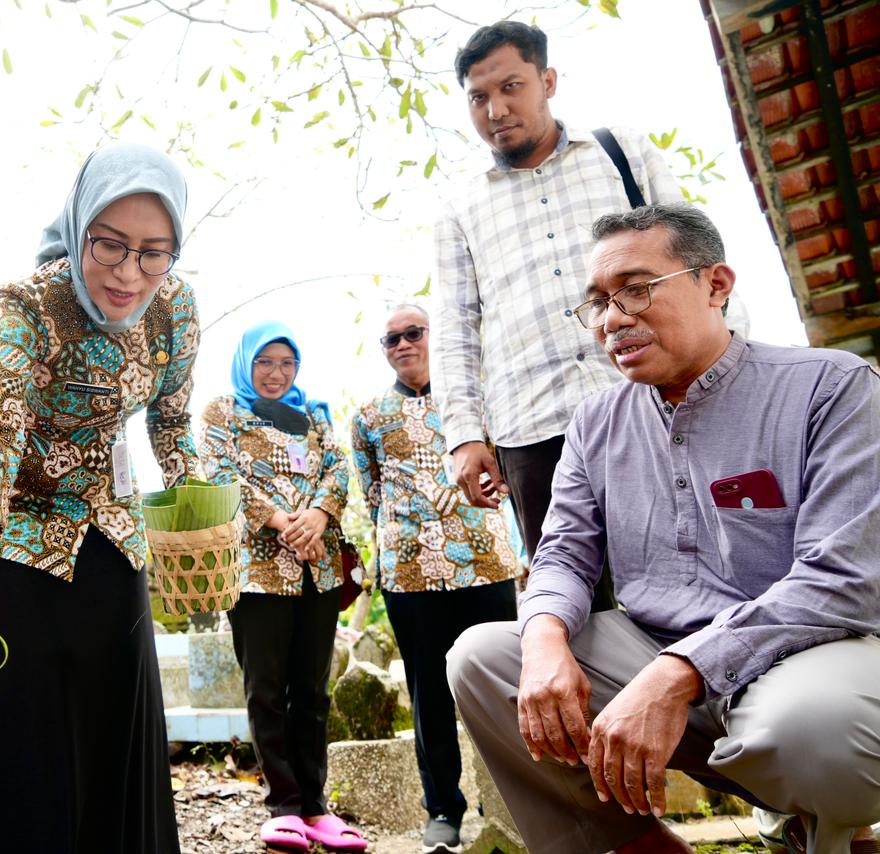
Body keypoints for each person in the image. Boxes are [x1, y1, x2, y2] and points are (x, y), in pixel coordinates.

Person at [447, 204, 880, 854]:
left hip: (803, 656)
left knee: (819, 730)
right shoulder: (597, 422)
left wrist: (676, 673)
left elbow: (839, 580)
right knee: (485, 659)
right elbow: (563, 554)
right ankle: (634, 846)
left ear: (716, 284)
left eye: (636, 289)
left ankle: (832, 831)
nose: (611, 319)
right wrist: (543, 642)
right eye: (596, 302)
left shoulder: (830, 387)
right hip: (650, 646)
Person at [0, 143, 200, 854]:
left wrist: (197, 509)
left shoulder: (174, 307)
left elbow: (173, 420)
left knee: (118, 764)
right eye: (111, 245)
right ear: (79, 222)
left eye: (154, 252)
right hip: (18, 554)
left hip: (115, 555)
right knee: (31, 770)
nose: (130, 274)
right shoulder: (30, 306)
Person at [431, 20, 686, 610]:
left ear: (547, 81)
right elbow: (454, 330)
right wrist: (465, 436)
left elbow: (695, 256)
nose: (496, 108)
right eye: (478, 96)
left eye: (512, 86)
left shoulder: (620, 152)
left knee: (687, 580)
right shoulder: (460, 206)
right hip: (532, 433)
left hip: (648, 401)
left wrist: (731, 361)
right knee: (575, 608)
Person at [349, 303, 521, 853]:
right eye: (390, 338)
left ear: (433, 336)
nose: (402, 344)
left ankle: (521, 801)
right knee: (429, 694)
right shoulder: (368, 417)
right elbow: (373, 493)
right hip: (411, 575)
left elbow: (509, 473)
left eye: (413, 333)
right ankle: (443, 809)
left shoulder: (478, 403)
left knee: (507, 689)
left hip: (486, 565)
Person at [199, 321, 367, 853]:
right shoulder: (222, 412)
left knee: (313, 692)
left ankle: (317, 808)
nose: (276, 374)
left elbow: (338, 469)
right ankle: (282, 806)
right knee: (266, 690)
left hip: (317, 569)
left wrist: (319, 512)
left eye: (286, 363)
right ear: (246, 363)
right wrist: (282, 521)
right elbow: (219, 473)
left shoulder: (314, 414)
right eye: (264, 363)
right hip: (255, 572)